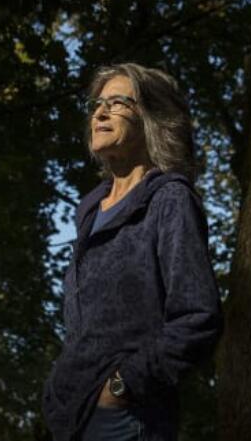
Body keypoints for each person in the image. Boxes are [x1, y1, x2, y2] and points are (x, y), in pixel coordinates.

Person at [42, 63, 223, 441]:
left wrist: (123, 387)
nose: (100, 112)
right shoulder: (90, 211)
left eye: (119, 101)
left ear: (152, 119)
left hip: (127, 418)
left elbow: (197, 317)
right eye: (97, 103)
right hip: (73, 414)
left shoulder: (169, 200)